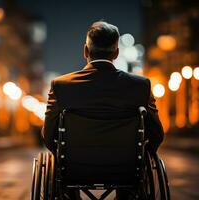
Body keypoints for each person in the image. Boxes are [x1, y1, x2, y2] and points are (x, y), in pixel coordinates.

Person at [42, 21, 164, 200]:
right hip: (127, 170)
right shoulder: (141, 86)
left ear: (86, 51)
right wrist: (140, 156)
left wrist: (63, 157)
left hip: (75, 170)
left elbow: (48, 136)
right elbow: (157, 134)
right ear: (116, 52)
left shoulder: (61, 86)